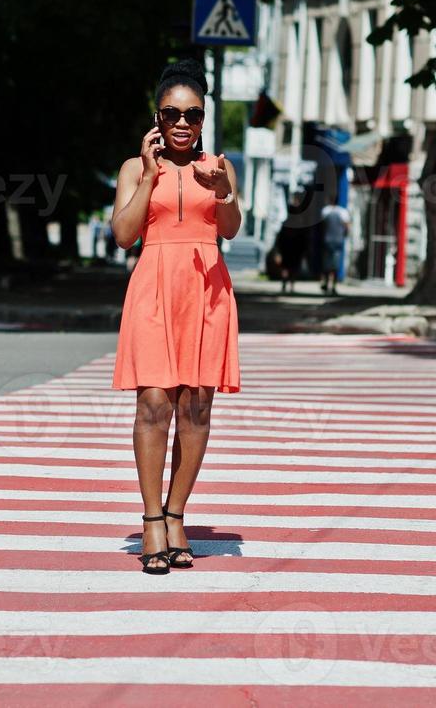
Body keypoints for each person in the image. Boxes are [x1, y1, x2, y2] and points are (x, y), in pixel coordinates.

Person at [110, 58, 242, 575]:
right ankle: (150, 522)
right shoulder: (133, 168)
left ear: (204, 117)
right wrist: (147, 175)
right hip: (154, 287)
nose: (182, 122)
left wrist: (220, 189)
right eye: (171, 113)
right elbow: (124, 234)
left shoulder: (220, 166)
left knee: (197, 406)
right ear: (156, 118)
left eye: (193, 113)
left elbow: (229, 229)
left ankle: (177, 515)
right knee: (154, 403)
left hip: (207, 291)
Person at [272, 197, 308, 294]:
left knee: (286, 267)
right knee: (293, 267)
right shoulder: (300, 224)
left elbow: (279, 237)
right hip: (295, 249)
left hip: (286, 248)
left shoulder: (286, 223)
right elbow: (303, 238)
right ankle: (291, 286)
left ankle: (284, 284)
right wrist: (304, 250)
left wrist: (278, 250)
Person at [319, 200, 350, 294]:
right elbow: (347, 226)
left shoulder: (325, 210)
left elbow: (322, 226)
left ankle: (325, 283)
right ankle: (333, 286)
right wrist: (344, 236)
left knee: (326, 264)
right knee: (335, 265)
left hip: (327, 240)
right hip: (337, 241)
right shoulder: (343, 212)